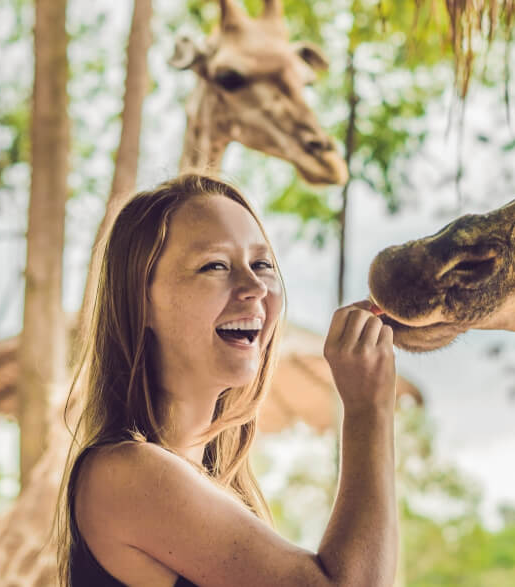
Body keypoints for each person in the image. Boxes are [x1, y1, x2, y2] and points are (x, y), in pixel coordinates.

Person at [55, 174, 397, 587]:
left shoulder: (218, 490)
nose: (254, 287)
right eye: (215, 265)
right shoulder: (124, 473)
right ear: (140, 300)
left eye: (263, 264)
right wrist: (367, 409)